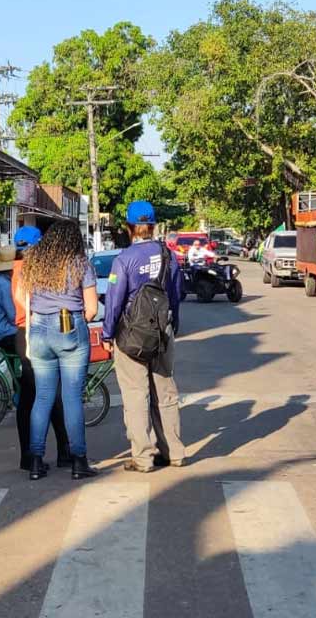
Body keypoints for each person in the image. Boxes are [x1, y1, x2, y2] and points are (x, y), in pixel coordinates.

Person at [103, 201, 185, 473]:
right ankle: (173, 451)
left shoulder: (124, 260)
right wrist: (173, 323)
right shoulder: (168, 255)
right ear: (152, 225)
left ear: (129, 228)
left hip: (131, 337)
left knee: (136, 395)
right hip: (162, 331)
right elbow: (175, 295)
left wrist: (107, 333)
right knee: (165, 392)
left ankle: (143, 457)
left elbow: (114, 301)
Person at [18, 220, 98, 481]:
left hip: (38, 329)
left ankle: (36, 461)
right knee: (71, 398)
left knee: (42, 398)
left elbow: (23, 298)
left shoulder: (33, 263)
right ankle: (79, 460)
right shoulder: (79, 263)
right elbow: (92, 309)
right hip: (69, 326)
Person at [8, 226, 70, 472]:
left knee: (29, 398)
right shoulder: (35, 272)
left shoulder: (16, 268)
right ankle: (52, 454)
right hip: (38, 333)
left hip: (24, 335)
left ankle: (29, 456)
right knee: (51, 396)